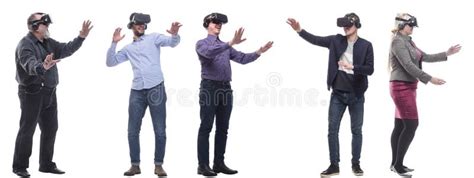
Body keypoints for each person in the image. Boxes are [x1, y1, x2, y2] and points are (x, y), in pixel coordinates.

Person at [287, 13, 374, 176]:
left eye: (348, 24)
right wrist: (300, 31)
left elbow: (370, 69)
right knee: (332, 130)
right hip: (338, 94)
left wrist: (352, 66)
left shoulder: (366, 45)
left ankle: (356, 164)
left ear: (357, 25)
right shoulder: (336, 40)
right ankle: (334, 165)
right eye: (343, 25)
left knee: (356, 130)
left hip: (356, 95)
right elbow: (316, 40)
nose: (345, 27)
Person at [13, 12, 92, 177]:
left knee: (50, 128)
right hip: (32, 93)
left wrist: (81, 37)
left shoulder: (48, 43)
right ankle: (19, 166)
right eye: (45, 24)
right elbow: (29, 63)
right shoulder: (25, 44)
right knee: (28, 129)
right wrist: (42, 66)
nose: (48, 26)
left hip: (49, 91)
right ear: (34, 26)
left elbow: (65, 49)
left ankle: (46, 164)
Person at [196, 12, 273, 176]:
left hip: (226, 89)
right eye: (215, 22)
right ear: (207, 24)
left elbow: (242, 58)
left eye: (220, 23)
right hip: (209, 88)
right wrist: (230, 43)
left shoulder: (226, 46)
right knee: (206, 127)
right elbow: (209, 53)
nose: (218, 24)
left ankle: (218, 163)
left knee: (223, 128)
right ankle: (203, 165)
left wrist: (259, 51)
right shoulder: (201, 44)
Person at [106, 12, 181, 176]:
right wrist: (114, 43)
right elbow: (110, 62)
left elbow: (172, 42)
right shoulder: (128, 48)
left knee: (160, 130)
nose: (141, 26)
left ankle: (158, 165)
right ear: (132, 26)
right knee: (132, 130)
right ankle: (135, 165)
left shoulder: (154, 38)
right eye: (138, 23)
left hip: (156, 89)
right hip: (137, 91)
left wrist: (175, 34)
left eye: (143, 24)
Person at [388, 13, 461, 176]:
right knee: (412, 125)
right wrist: (429, 79)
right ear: (401, 25)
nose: (412, 28)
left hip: (408, 87)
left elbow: (424, 56)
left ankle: (395, 164)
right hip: (401, 87)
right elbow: (408, 65)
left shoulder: (409, 41)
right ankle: (398, 165)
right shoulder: (397, 42)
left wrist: (446, 53)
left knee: (401, 125)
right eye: (410, 25)